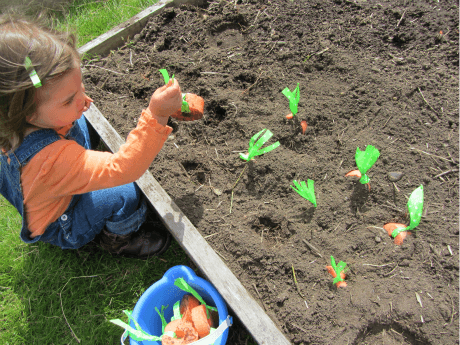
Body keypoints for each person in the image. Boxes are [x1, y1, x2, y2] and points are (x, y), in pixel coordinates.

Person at [0, 15, 183, 259]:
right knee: (122, 190)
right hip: (65, 222)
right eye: (68, 99)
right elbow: (125, 168)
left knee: (79, 121)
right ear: (27, 112)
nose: (84, 100)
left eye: (80, 87)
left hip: (54, 186)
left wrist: (71, 103)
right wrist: (157, 115)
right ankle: (119, 239)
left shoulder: (14, 122)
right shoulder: (50, 160)